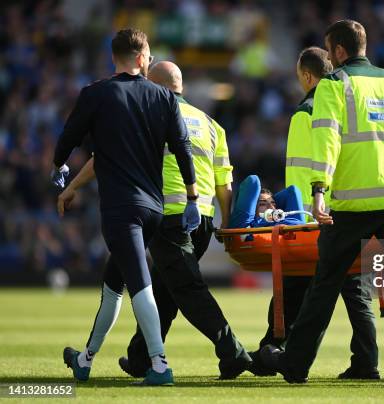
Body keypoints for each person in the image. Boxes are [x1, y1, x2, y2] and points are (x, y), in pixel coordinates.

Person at [261, 20, 384, 387]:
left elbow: (327, 141)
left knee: (324, 284)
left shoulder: (334, 85)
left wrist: (319, 189)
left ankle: (296, 364)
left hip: (351, 205)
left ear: (336, 51)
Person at [59, 61, 253, 380]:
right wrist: (227, 223)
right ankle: (139, 358)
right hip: (202, 217)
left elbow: (105, 157)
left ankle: (232, 353)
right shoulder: (210, 123)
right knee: (166, 288)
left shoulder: (151, 112)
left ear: (157, 87)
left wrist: (72, 186)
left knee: (187, 289)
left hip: (166, 216)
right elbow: (225, 182)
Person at [53, 29, 201, 386]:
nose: (150, 62)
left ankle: (160, 365)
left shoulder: (96, 94)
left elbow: (68, 139)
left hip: (121, 210)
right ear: (139, 57)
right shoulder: (163, 98)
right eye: (149, 56)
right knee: (113, 285)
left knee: (139, 285)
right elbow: (182, 149)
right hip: (153, 208)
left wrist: (60, 169)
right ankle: (85, 359)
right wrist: (193, 198)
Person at [248, 47, 380, 380]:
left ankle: (275, 351)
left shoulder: (308, 112)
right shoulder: (349, 108)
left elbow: (304, 172)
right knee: (355, 290)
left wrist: (297, 212)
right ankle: (366, 362)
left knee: (294, 287)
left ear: (307, 76)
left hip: (311, 215)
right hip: (349, 210)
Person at [229, 174, 305, 228]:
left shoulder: (287, 220)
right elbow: (253, 180)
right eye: (262, 204)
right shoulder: (245, 224)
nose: (271, 207)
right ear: (252, 210)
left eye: (274, 204)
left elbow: (293, 191)